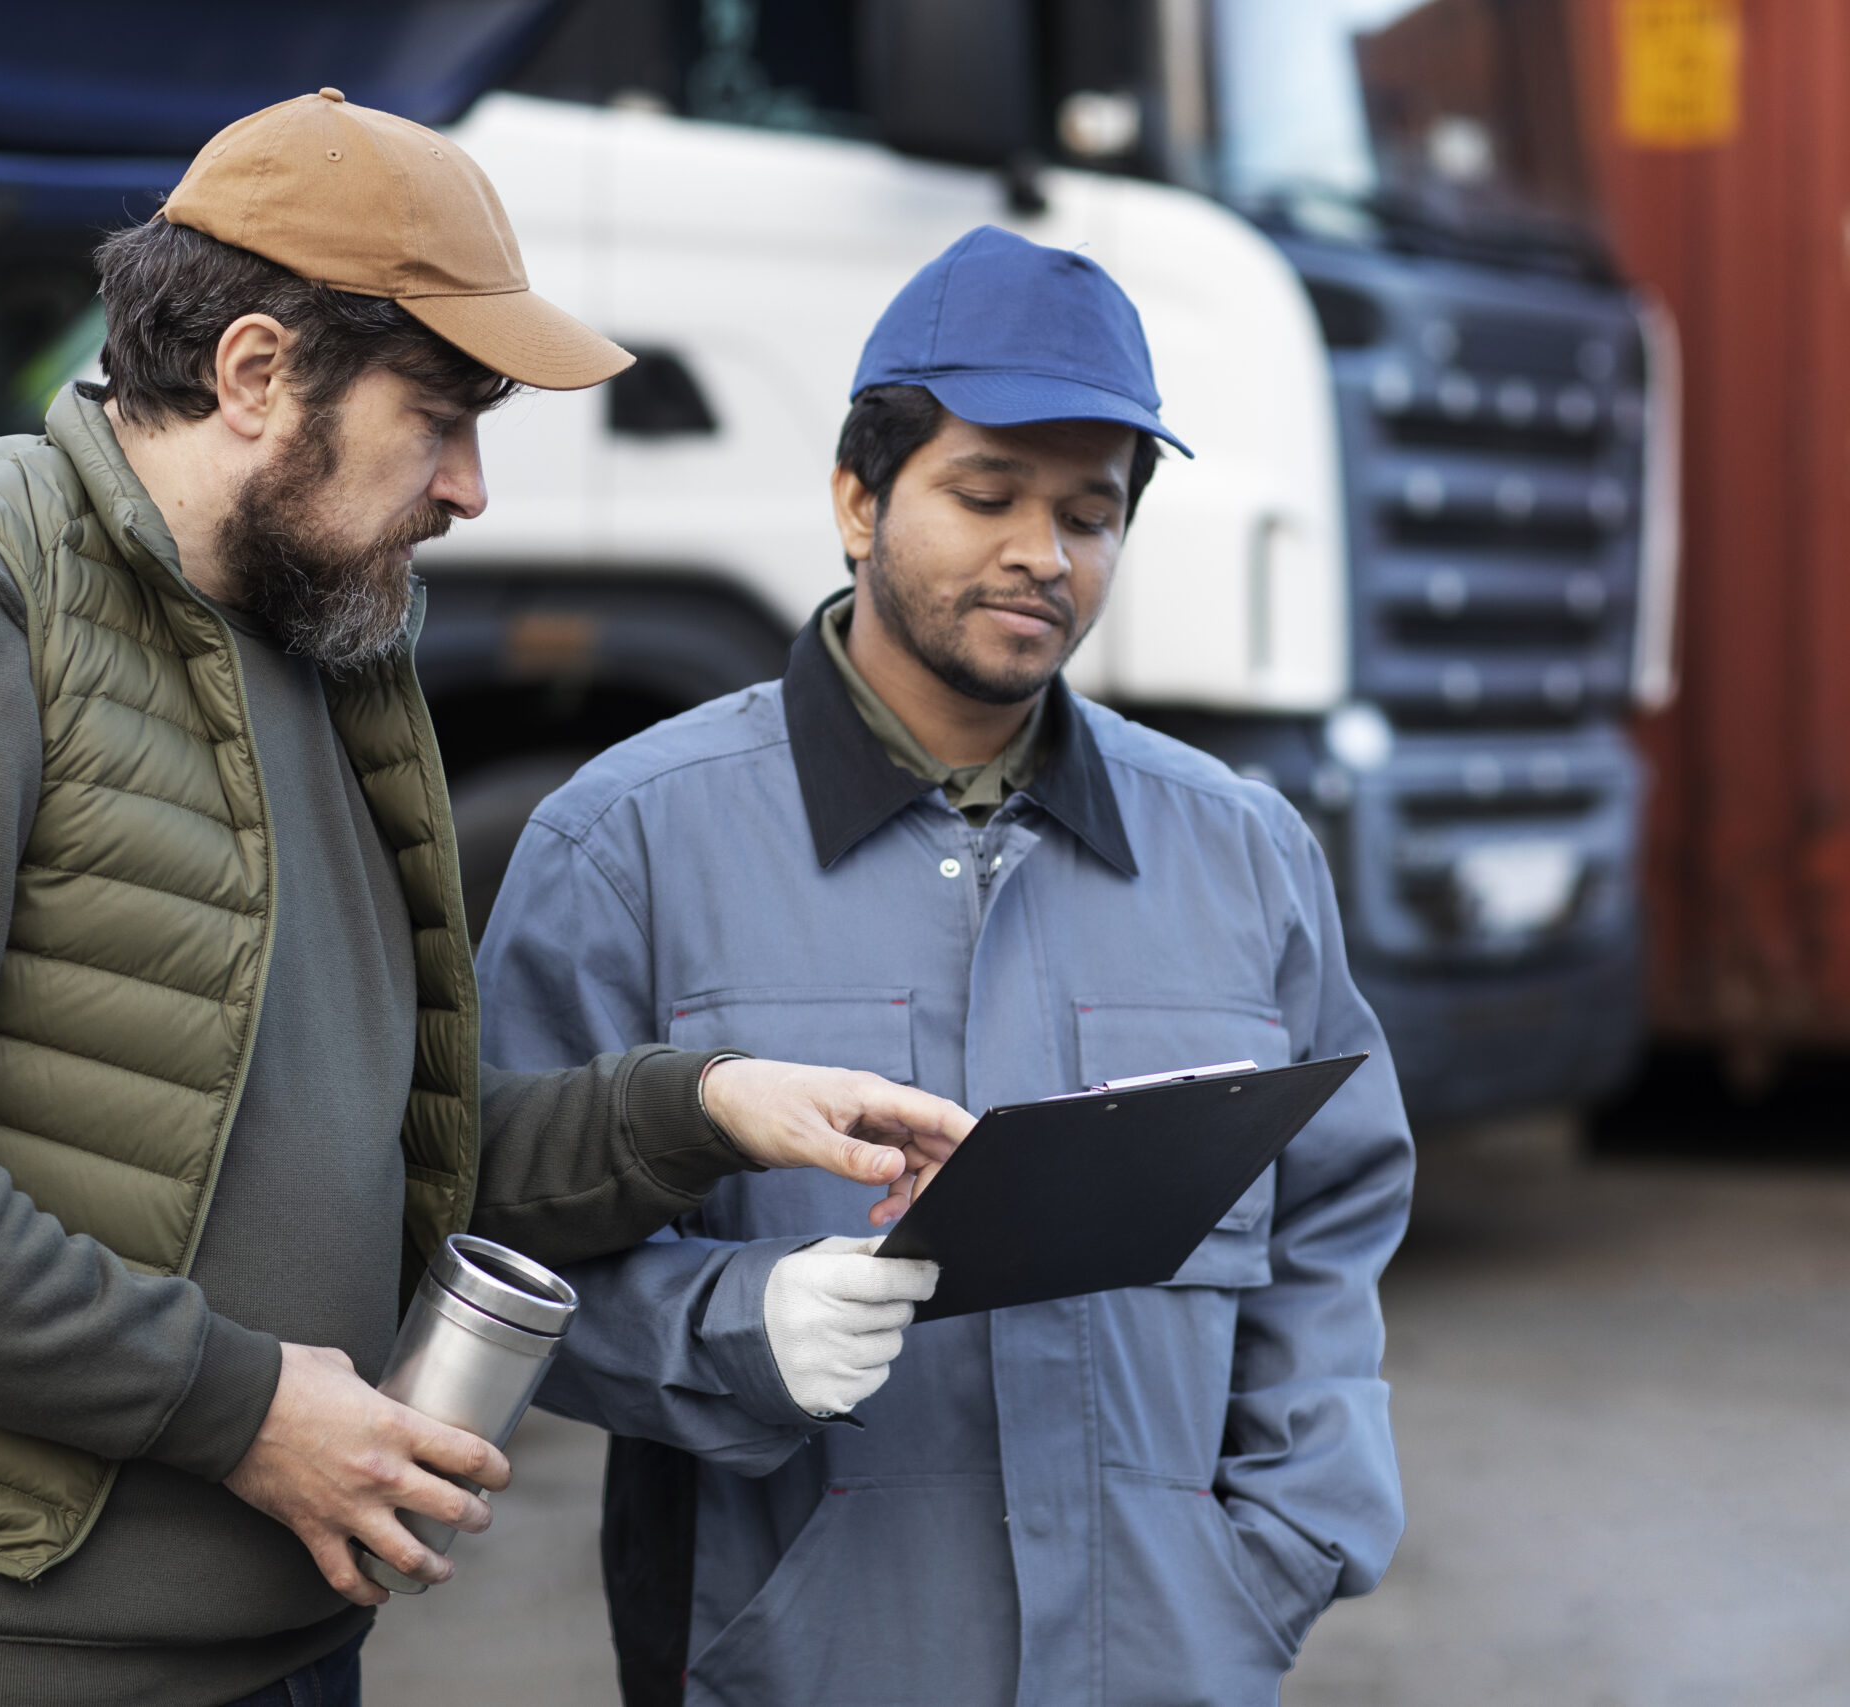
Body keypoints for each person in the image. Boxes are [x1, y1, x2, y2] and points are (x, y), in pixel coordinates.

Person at [0, 91, 971, 1707]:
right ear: (255, 372)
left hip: (279, 1648)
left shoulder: (312, 648)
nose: (470, 488)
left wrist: (709, 1107)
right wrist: (237, 1409)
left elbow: (373, 1151)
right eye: (443, 413)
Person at [476, 226, 1416, 1707]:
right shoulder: (629, 844)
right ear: (858, 498)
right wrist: (734, 1325)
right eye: (985, 495)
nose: (1042, 553)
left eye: (1089, 514)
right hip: (796, 1663)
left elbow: (1330, 1228)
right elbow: (498, 1252)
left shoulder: (1244, 852)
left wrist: (1288, 1545)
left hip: (1170, 1659)